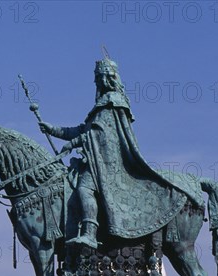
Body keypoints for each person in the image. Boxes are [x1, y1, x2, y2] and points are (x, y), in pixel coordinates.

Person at [40, 58, 198, 249]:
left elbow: (101, 134)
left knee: (84, 189)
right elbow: (83, 130)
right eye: (96, 78)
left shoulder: (113, 102)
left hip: (108, 163)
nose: (96, 82)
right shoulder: (102, 105)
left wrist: (72, 144)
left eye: (99, 78)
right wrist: (52, 130)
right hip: (96, 159)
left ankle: (89, 234)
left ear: (108, 78)